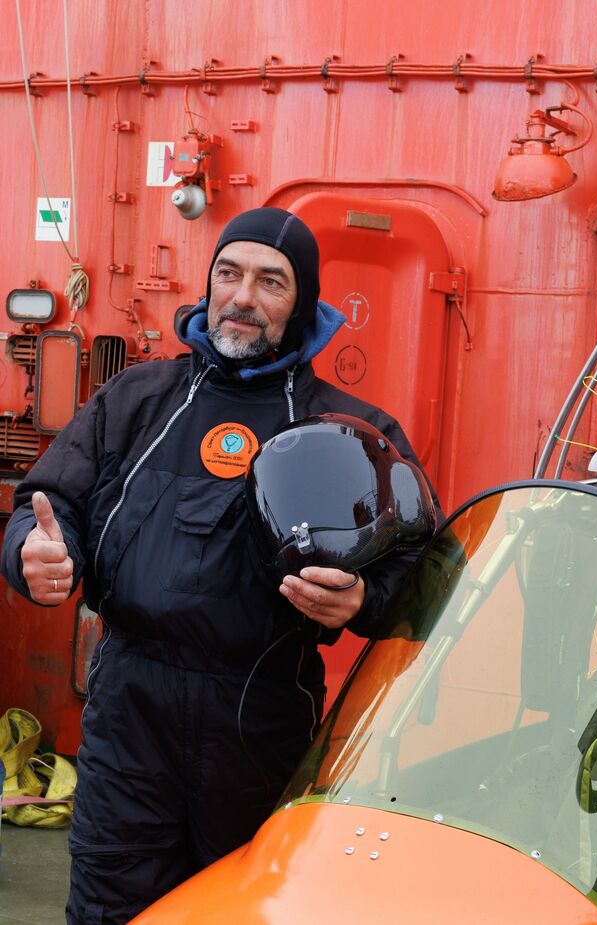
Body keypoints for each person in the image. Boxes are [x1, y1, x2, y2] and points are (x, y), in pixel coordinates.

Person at [1, 207, 436, 924]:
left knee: (244, 910)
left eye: (271, 281)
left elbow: (424, 564)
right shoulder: (136, 399)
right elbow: (48, 502)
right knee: (109, 906)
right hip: (127, 713)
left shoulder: (350, 430)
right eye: (228, 274)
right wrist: (33, 552)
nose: (242, 296)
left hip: (261, 717)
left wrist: (365, 600)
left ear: (303, 303)